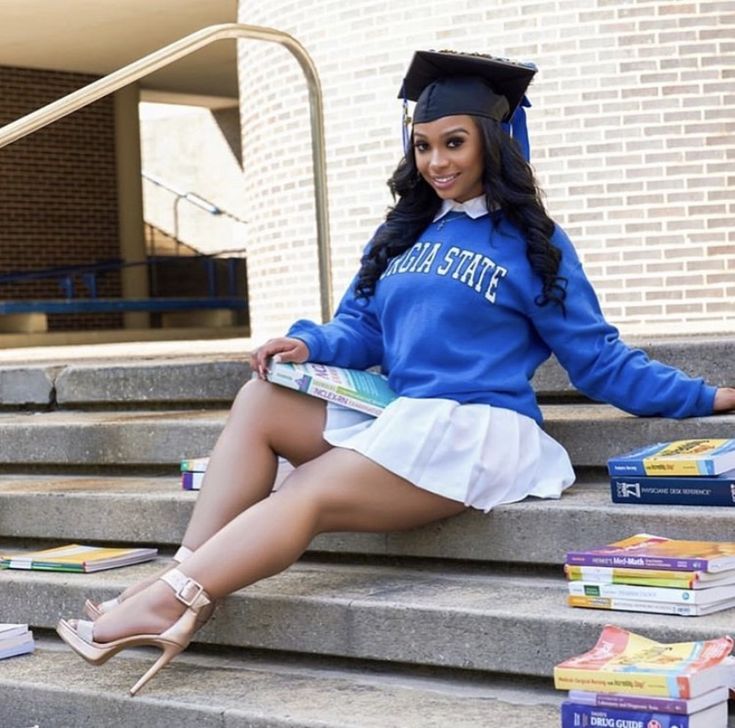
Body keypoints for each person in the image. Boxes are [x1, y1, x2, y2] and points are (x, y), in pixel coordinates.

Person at [56, 50, 735, 695]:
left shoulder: (531, 244)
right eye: (423, 145)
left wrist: (709, 395)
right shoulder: (403, 234)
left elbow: (598, 360)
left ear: (491, 143)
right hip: (402, 416)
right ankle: (177, 583)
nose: (435, 161)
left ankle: (170, 602)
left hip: (473, 430)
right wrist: (306, 343)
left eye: (454, 142)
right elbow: (360, 330)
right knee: (260, 399)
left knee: (309, 492)